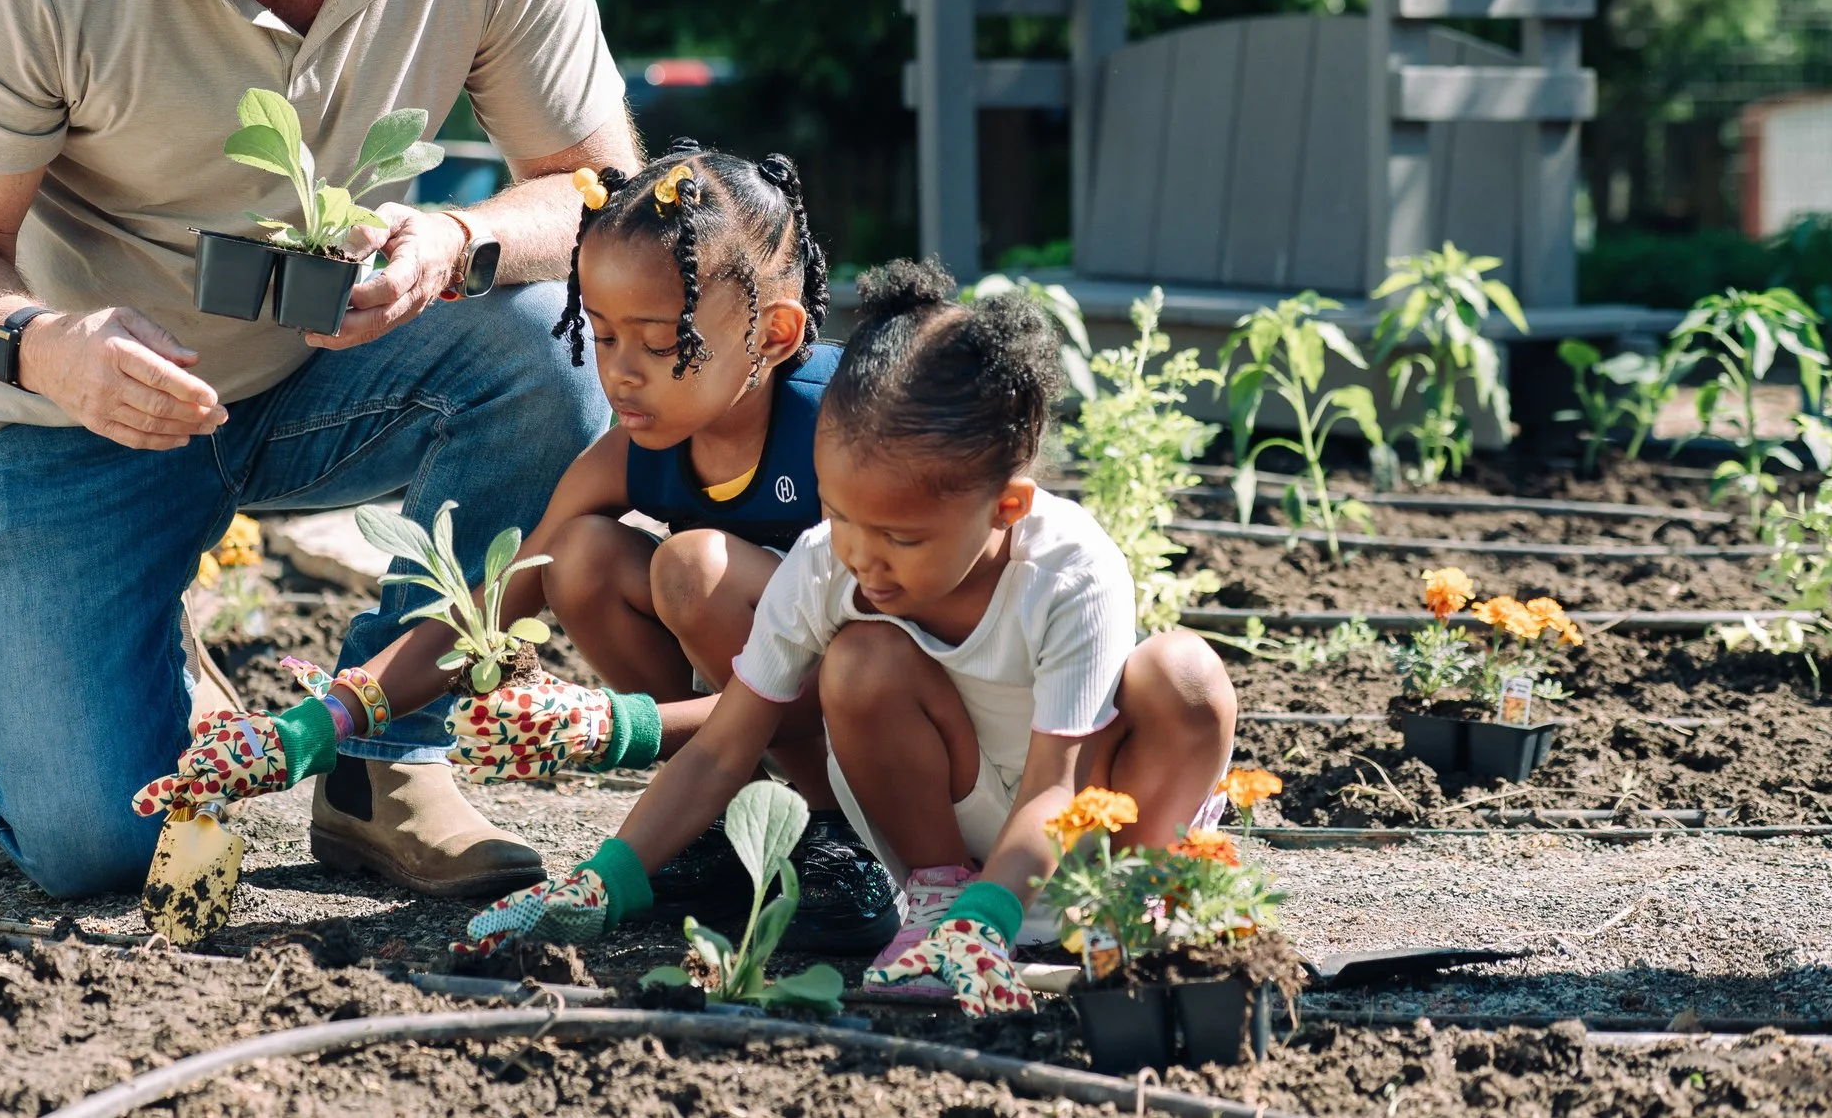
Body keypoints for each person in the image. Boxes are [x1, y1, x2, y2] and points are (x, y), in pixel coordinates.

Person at [0, 0, 637, 900]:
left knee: (555, 354)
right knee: (98, 845)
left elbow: (605, 197)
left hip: (332, 365)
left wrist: (461, 240)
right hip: (89, 404)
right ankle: (145, 653)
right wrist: (46, 345)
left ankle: (381, 754)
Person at [130, 146, 897, 944]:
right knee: (581, 556)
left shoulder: (841, 438)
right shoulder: (635, 449)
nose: (620, 375)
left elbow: (868, 679)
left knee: (693, 568)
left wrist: (614, 725)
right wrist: (315, 726)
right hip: (757, 705)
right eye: (600, 335)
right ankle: (725, 819)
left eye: (659, 341)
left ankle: (843, 838)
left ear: (773, 335)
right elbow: (487, 612)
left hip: (895, 729)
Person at [450, 260, 1240, 1016]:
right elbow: (724, 747)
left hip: (1082, 829)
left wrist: (992, 919)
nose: (861, 554)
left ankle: (1138, 902)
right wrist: (602, 880)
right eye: (840, 512)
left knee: (1183, 673)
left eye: (899, 535)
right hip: (954, 827)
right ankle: (933, 906)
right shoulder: (829, 561)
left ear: (1006, 507)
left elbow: (1054, 791)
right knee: (861, 660)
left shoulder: (1071, 572)